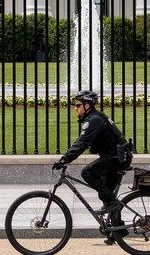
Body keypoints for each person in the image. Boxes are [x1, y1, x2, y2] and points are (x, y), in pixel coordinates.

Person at [54, 90, 132, 225]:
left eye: (78, 105)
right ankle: (118, 229)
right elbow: (82, 141)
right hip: (118, 157)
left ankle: (112, 204)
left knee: (87, 172)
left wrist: (64, 159)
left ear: (87, 105)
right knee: (107, 194)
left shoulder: (94, 120)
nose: (75, 108)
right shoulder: (94, 118)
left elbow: (82, 143)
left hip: (116, 157)